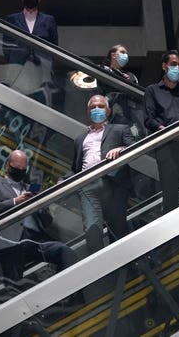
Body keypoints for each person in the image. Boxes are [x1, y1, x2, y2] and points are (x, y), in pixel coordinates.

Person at [0, 150, 76, 285]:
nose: (20, 171)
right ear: (8, 165)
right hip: (10, 241)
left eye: (23, 169)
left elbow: (47, 221)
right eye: (17, 168)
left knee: (65, 252)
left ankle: (67, 294)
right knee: (14, 282)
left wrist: (39, 204)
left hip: (35, 241)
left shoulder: (30, 189)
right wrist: (15, 201)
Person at [70, 95, 135, 255]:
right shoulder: (80, 139)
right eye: (93, 107)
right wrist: (62, 180)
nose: (96, 109)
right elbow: (75, 168)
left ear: (108, 110)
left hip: (112, 184)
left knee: (118, 229)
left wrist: (120, 149)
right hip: (87, 187)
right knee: (92, 230)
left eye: (100, 106)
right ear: (88, 112)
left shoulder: (120, 129)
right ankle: (99, 271)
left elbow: (134, 147)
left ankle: (123, 268)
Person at [144, 51, 179, 212]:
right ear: (164, 66)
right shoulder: (152, 90)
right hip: (166, 147)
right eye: (173, 64)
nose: (177, 68)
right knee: (170, 195)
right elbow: (149, 119)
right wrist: (168, 132)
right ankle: (175, 237)